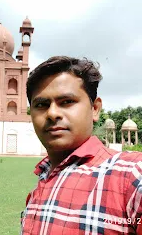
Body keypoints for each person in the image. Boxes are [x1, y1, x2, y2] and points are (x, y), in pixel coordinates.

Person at [21, 56, 142, 234]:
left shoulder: (130, 174)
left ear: (95, 109)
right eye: (41, 104)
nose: (52, 113)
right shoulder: (43, 179)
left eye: (67, 102)